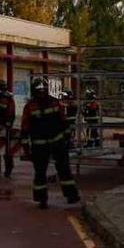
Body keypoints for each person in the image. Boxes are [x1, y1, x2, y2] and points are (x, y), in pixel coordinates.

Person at [20, 77, 80, 209]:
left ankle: (51, 198)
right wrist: (67, 138)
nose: (41, 93)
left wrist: (26, 147)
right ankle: (63, 196)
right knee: (54, 171)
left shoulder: (31, 106)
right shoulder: (52, 103)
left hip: (45, 144)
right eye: (40, 91)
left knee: (53, 171)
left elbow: (25, 128)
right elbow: (64, 122)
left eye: (42, 91)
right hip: (52, 143)